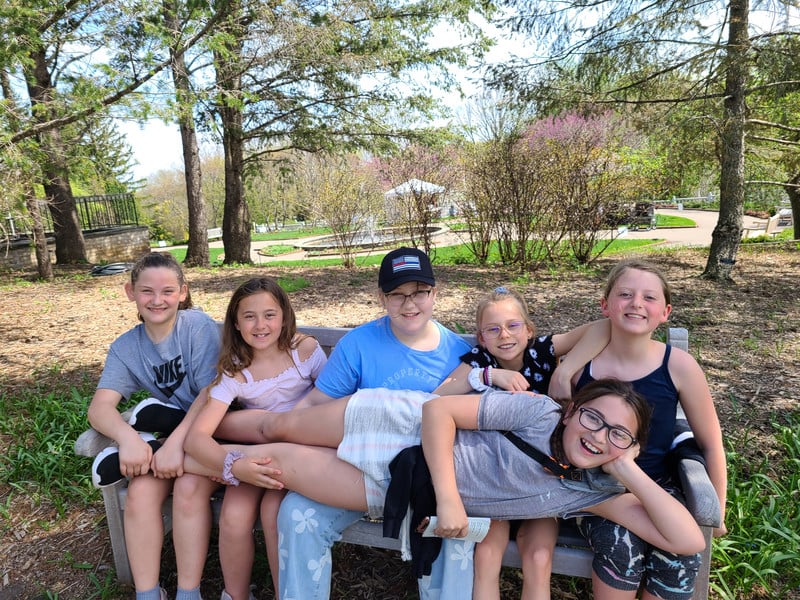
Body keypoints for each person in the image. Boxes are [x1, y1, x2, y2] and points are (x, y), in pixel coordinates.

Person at [182, 380, 706, 575]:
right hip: (400, 422)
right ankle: (187, 423)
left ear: (630, 448)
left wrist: (626, 469)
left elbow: (686, 539)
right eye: (593, 417)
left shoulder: (592, 492)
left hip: (400, 486)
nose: (598, 435)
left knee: (280, 463)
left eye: (618, 433)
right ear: (572, 413)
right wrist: (452, 501)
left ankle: (177, 454)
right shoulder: (537, 412)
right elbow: (439, 413)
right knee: (277, 424)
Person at [209, 246, 474, 600]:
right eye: (397, 294)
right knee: (296, 512)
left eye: (419, 293)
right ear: (382, 298)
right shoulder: (359, 344)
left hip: (425, 481)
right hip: (355, 470)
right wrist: (291, 442)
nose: (409, 304)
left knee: (455, 531)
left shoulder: (459, 356)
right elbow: (316, 404)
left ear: (434, 293)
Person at [431, 286, 611, 600]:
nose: (504, 335)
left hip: (544, 479)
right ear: (481, 336)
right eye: (493, 329)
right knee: (486, 556)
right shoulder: (479, 360)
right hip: (495, 478)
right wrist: (488, 376)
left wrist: (565, 368)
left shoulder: (542, 351)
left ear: (528, 330)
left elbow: (603, 327)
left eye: (513, 325)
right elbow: (437, 397)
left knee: (539, 557)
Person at [570, 258, 727, 600]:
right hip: (597, 490)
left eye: (649, 297)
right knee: (622, 548)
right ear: (605, 305)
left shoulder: (679, 366)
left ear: (665, 312)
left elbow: (711, 443)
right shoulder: (580, 364)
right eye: (625, 294)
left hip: (659, 485)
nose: (637, 303)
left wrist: (719, 509)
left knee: (682, 553)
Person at [86, 252, 222, 600]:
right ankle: (148, 594)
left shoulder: (196, 327)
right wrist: (128, 439)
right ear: (130, 292)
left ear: (182, 292)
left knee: (189, 491)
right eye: (147, 291)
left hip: (213, 432)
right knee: (140, 494)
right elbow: (100, 408)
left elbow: (212, 392)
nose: (157, 300)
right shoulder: (126, 347)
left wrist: (178, 443)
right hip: (172, 439)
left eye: (167, 291)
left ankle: (188, 593)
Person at [183, 277, 327, 600]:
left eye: (269, 314)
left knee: (274, 513)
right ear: (235, 323)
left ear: (285, 316)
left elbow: (331, 401)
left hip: (302, 456)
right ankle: (235, 595)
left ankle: (284, 594)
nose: (260, 325)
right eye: (249, 316)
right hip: (254, 457)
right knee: (233, 518)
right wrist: (235, 466)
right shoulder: (236, 371)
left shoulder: (305, 351)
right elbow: (197, 439)